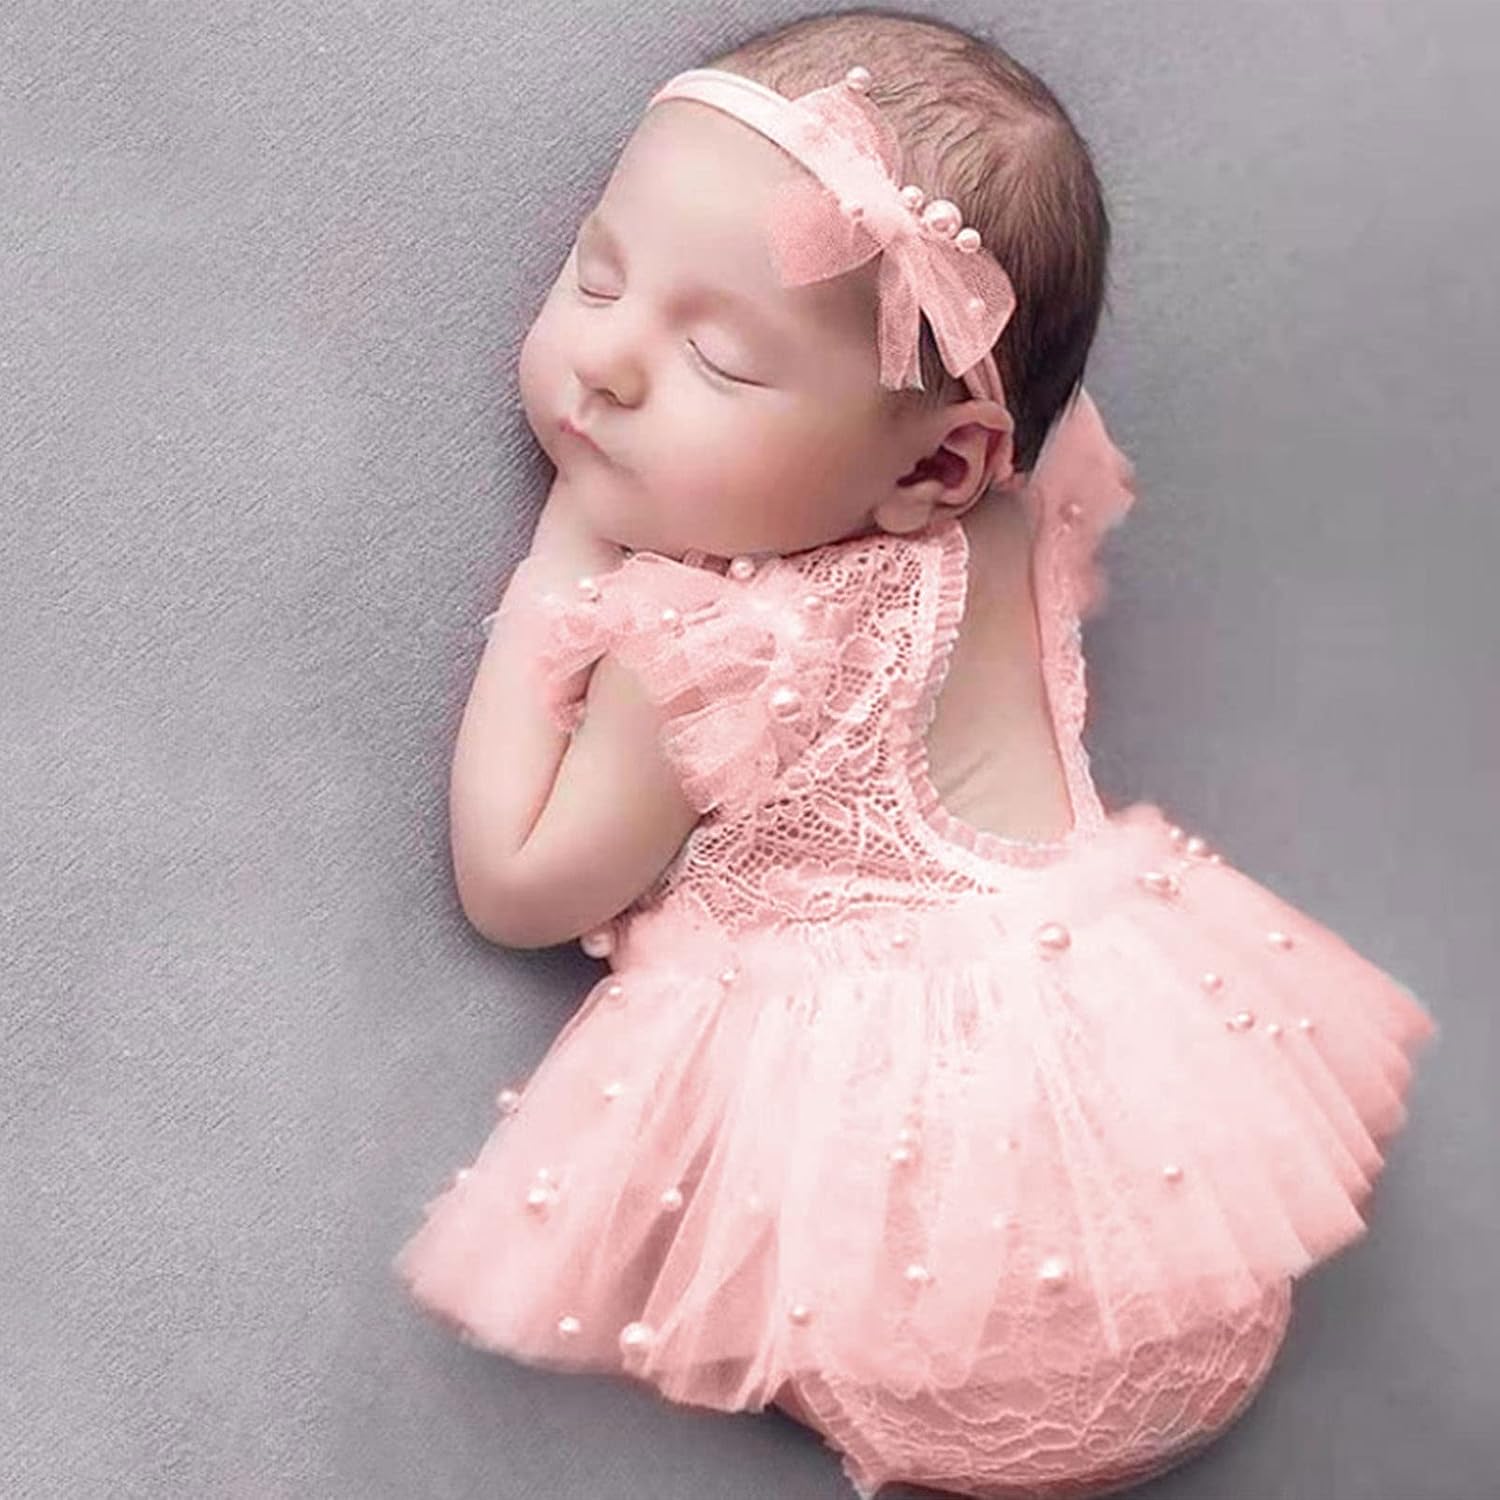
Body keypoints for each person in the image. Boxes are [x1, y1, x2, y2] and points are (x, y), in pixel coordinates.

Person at [394, 14, 1438, 1498]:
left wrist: (572, 546)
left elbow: (517, 883)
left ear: (939, 462)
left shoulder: (714, 646)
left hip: (939, 1258)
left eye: (717, 359)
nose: (608, 365)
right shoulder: (1003, 520)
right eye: (597, 274)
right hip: (1156, 1183)